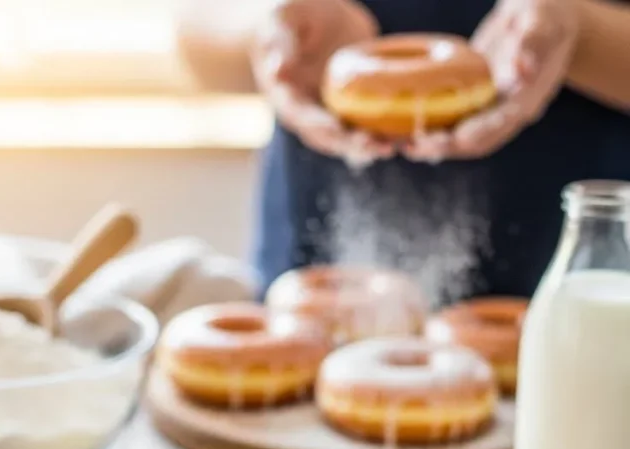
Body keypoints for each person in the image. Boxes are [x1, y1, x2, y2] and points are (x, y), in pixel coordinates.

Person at [250, 0, 630, 298]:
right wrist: (277, 26)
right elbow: (196, 36)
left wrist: (581, 31)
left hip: (584, 280)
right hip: (311, 287)